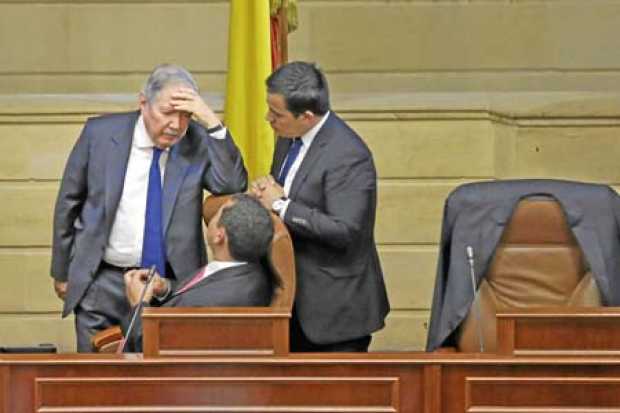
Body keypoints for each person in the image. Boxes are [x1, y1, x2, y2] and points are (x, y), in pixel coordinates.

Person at [51, 64, 247, 352]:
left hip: (170, 284)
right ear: (143, 102)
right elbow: (69, 201)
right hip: (102, 281)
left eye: (187, 115)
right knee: (98, 381)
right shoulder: (100, 134)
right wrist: (62, 270)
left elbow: (231, 184)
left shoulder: (196, 140)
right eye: (168, 112)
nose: (177, 125)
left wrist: (212, 122)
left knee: (164, 384)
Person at [251, 61, 390, 352]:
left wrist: (279, 204)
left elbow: (344, 230)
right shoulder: (288, 138)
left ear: (307, 116)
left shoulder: (349, 156)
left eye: (276, 114)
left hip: (335, 314)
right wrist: (267, 192)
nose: (268, 119)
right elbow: (286, 190)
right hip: (290, 300)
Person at [121, 194, 274, 352]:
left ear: (219, 236)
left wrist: (139, 304)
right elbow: (201, 289)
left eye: (217, 214)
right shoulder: (246, 272)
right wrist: (165, 288)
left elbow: (150, 347)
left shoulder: (210, 303)